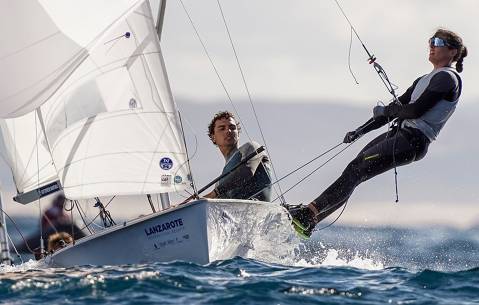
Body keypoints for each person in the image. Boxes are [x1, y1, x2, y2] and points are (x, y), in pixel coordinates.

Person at [288, 28, 467, 238]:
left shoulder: (448, 79)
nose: (432, 45)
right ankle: (309, 220)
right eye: (431, 41)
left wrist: (389, 111)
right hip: (400, 135)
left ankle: (308, 215)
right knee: (353, 170)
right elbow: (393, 109)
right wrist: (361, 130)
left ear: (453, 51)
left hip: (413, 141)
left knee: (356, 170)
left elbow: (415, 110)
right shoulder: (424, 79)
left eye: (437, 42)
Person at [204, 111, 273, 201]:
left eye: (232, 128)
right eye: (222, 128)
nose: (228, 131)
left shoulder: (251, 147)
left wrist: (215, 192)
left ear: (238, 133)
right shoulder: (219, 183)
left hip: (260, 211)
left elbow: (247, 171)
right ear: (213, 137)